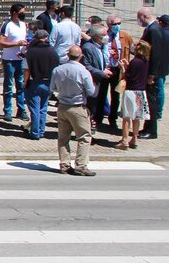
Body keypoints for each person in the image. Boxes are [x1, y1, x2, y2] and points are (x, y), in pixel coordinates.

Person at [50, 45, 97, 176]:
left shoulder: (58, 70)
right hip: (77, 107)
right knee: (84, 136)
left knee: (63, 138)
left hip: (62, 106)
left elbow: (53, 87)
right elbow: (91, 91)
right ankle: (81, 165)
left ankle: (64, 165)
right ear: (80, 56)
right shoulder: (83, 71)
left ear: (67, 55)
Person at [139, 11, 169, 140]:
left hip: (153, 72)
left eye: (139, 18)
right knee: (149, 102)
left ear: (144, 17)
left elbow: (155, 54)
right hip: (153, 71)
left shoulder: (154, 30)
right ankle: (147, 127)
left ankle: (151, 130)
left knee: (151, 101)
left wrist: (152, 74)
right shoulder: (155, 28)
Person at [22, 29, 59, 140]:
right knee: (43, 109)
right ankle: (41, 131)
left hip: (34, 82)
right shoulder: (53, 52)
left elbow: (27, 70)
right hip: (48, 83)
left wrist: (25, 82)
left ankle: (34, 132)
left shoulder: (31, 52)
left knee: (35, 110)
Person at [0, 3, 30, 122]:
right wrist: (16, 44)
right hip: (9, 60)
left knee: (21, 85)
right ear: (15, 12)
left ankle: (21, 110)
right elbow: (1, 43)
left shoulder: (23, 25)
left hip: (20, 59)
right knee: (9, 85)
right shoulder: (7, 25)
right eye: (22, 11)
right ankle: (7, 111)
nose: (24, 13)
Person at [118, 40, 151, 150]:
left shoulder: (134, 61)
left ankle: (124, 140)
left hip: (130, 92)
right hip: (141, 92)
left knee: (126, 117)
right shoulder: (145, 62)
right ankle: (134, 139)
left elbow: (128, 76)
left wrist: (123, 68)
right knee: (136, 118)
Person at [105, 15, 135, 131]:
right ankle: (96, 119)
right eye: (114, 24)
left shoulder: (125, 37)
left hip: (118, 70)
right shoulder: (104, 36)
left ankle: (112, 119)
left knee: (116, 95)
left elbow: (133, 50)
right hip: (106, 68)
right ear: (108, 25)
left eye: (119, 23)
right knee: (101, 95)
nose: (117, 26)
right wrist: (108, 52)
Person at [81, 24, 112, 132]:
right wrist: (101, 73)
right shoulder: (87, 48)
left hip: (99, 81)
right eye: (104, 35)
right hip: (92, 81)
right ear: (97, 36)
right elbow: (87, 66)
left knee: (95, 107)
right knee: (89, 107)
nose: (106, 36)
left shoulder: (100, 46)